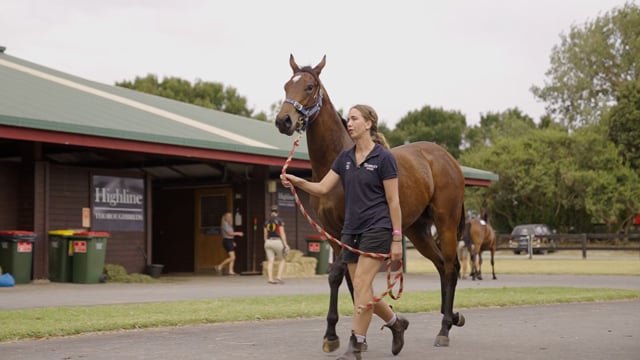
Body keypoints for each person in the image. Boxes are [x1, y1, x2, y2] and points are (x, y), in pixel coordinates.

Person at [282, 104, 408, 359]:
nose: (349, 123)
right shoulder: (345, 158)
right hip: (351, 231)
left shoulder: (384, 158)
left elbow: (394, 201)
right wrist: (297, 181)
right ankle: (396, 322)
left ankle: (356, 344)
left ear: (368, 124)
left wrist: (396, 239)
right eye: (348, 119)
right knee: (364, 290)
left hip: (378, 228)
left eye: (354, 119)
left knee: (361, 285)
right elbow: (323, 188)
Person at [263, 205, 289, 284]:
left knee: (270, 260)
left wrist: (265, 241)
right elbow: (282, 233)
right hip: (277, 241)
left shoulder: (266, 221)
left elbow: (265, 233)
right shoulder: (279, 221)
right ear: (277, 212)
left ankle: (270, 278)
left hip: (268, 241)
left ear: (270, 212)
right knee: (283, 259)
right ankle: (278, 277)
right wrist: (285, 244)